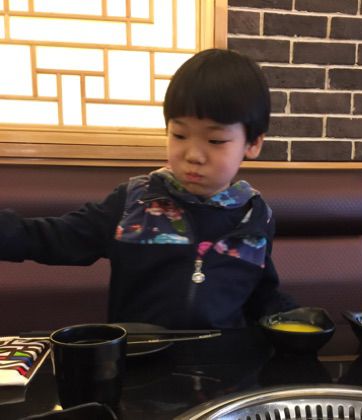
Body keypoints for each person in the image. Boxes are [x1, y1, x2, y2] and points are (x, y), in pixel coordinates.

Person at [0, 48, 296, 329]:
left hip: (222, 358)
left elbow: (260, 295)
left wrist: (295, 322)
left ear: (253, 143)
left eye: (215, 140)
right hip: (140, 357)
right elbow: (55, 237)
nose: (193, 155)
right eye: (179, 135)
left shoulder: (255, 216)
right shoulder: (135, 202)